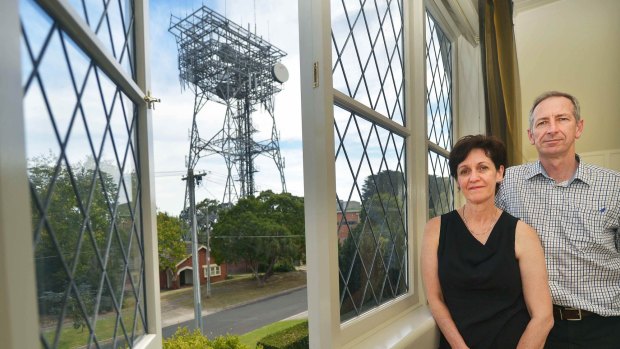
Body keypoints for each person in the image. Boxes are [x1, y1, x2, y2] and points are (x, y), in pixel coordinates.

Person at [496, 91, 620, 348]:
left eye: (562, 119)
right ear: (531, 135)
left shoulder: (614, 186)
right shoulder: (509, 183)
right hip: (534, 324)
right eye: (542, 123)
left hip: (604, 326)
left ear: (579, 127)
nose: (552, 129)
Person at [422, 135, 553, 349]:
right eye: (464, 171)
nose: (474, 177)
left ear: (499, 173)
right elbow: (435, 299)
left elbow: (543, 316)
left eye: (482, 168)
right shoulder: (435, 229)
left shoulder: (523, 234)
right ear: (457, 179)